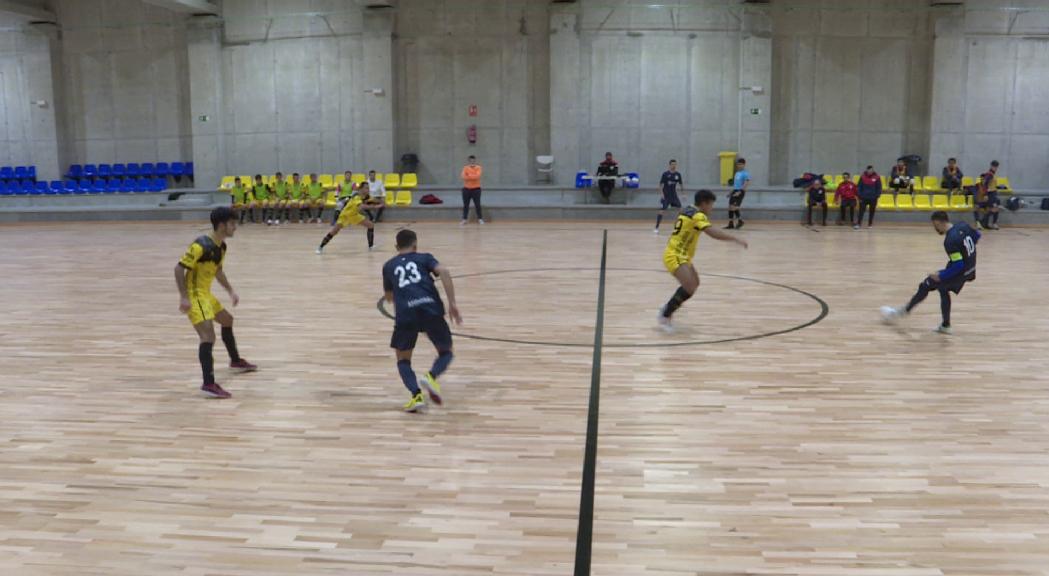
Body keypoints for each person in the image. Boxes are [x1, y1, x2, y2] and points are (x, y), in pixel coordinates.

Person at [174, 207, 258, 399]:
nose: (235, 228)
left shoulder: (222, 247)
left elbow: (217, 271)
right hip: (195, 296)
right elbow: (179, 269)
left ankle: (235, 361)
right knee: (208, 337)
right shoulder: (200, 246)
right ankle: (208, 383)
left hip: (206, 294)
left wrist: (230, 290)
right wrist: (184, 297)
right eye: (232, 224)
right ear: (221, 225)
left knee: (227, 320)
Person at [382, 229, 463, 412]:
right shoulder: (424, 258)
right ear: (415, 245)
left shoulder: (388, 266)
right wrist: (452, 304)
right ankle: (431, 376)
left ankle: (416, 395)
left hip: (406, 314)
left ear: (396, 247)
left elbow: (388, 297)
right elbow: (444, 271)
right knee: (446, 351)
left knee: (403, 359)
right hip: (430, 308)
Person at [659, 189, 748, 332]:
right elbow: (712, 233)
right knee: (689, 285)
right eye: (711, 205)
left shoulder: (688, 209)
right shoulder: (698, 215)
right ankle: (665, 315)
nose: (711, 209)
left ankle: (668, 307)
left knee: (694, 284)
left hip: (683, 254)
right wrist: (735, 238)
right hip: (674, 254)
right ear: (704, 203)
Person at [881, 211, 980, 335]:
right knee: (943, 289)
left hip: (961, 271)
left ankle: (903, 311)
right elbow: (977, 235)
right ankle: (945, 325)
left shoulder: (950, 240)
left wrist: (940, 276)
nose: (935, 228)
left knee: (926, 284)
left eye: (935, 225)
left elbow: (958, 265)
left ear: (939, 222)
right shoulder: (963, 225)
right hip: (970, 268)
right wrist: (968, 252)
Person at [316, 181, 376, 254]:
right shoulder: (356, 196)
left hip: (354, 215)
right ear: (361, 189)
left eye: (368, 188)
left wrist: (379, 202)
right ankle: (320, 247)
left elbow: (372, 200)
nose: (368, 190)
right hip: (346, 215)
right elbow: (360, 207)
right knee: (334, 231)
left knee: (370, 225)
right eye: (366, 188)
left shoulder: (365, 195)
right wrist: (375, 206)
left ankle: (371, 246)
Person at [653, 159, 683, 234]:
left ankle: (677, 227)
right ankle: (656, 227)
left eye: (675, 164)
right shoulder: (665, 174)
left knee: (681, 210)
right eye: (672, 164)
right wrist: (662, 194)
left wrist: (683, 194)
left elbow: (681, 184)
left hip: (674, 196)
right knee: (662, 211)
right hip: (666, 196)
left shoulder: (678, 175)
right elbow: (660, 185)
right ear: (669, 165)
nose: (674, 166)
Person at [975, 160, 1001, 230]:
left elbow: (990, 184)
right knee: (994, 208)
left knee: (994, 209)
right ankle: (988, 223)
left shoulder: (992, 175)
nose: (995, 168)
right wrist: (986, 194)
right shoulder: (989, 174)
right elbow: (985, 184)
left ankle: (985, 222)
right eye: (994, 166)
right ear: (991, 166)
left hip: (993, 194)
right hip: (990, 194)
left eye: (996, 167)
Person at [726, 157, 750, 230]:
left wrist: (740, 192)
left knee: (734, 207)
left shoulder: (745, 173)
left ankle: (740, 221)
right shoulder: (736, 173)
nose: (739, 165)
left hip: (740, 191)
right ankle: (731, 223)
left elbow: (746, 183)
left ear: (744, 164)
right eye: (738, 164)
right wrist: (731, 192)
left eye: (741, 164)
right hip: (735, 190)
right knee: (730, 207)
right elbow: (736, 184)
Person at [461, 156, 484, 225]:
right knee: (466, 205)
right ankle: (464, 219)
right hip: (466, 189)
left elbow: (477, 176)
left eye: (473, 161)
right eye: (471, 161)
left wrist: (469, 175)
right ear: (469, 161)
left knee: (477, 205)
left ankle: (480, 219)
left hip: (476, 189)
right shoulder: (465, 168)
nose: (472, 162)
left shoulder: (479, 168)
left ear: (475, 161)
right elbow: (463, 176)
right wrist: (472, 175)